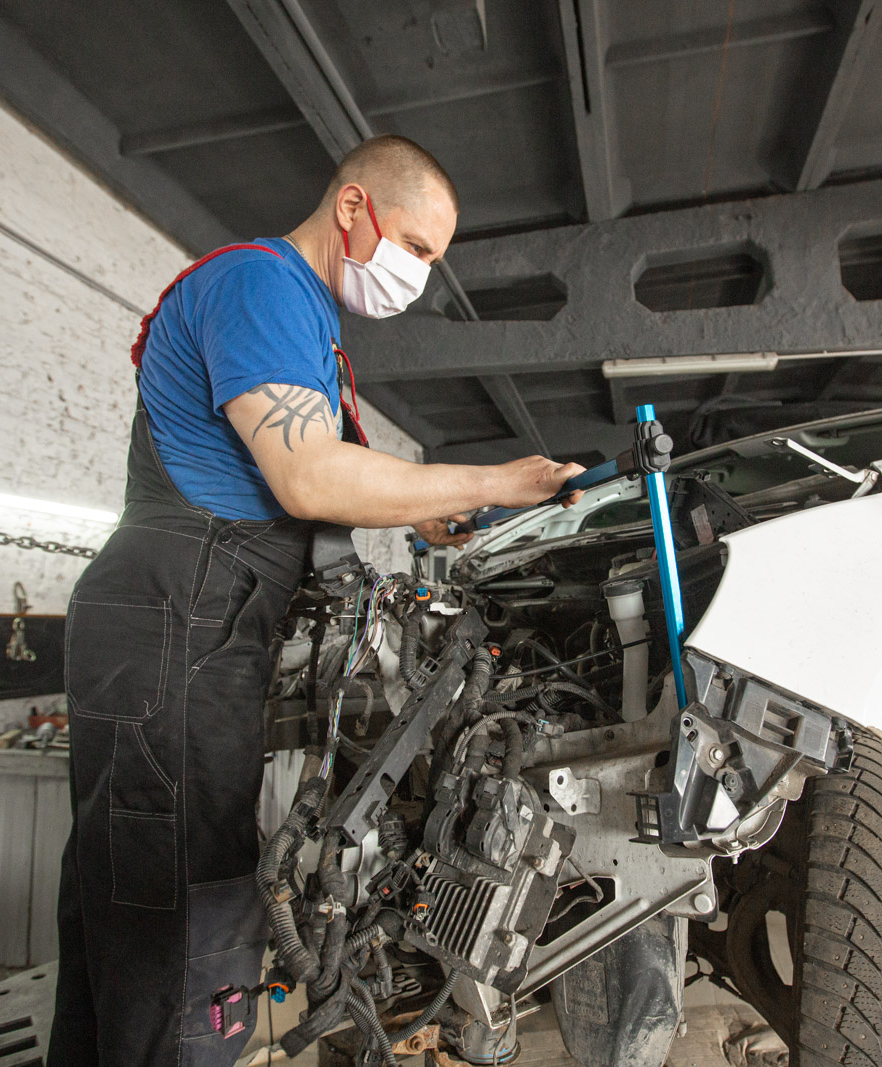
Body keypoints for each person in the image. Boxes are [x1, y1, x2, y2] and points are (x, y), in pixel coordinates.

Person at [48, 134, 584, 1066]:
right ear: (353, 207)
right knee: (183, 903)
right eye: (417, 247)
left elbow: (317, 485)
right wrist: (493, 481)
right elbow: (307, 475)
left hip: (193, 614)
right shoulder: (261, 285)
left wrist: (433, 521)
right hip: (180, 610)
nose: (419, 274)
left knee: (131, 896)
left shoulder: (303, 321)